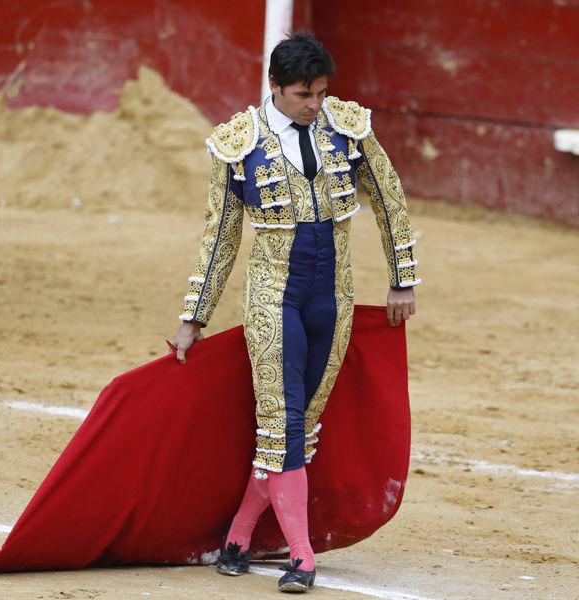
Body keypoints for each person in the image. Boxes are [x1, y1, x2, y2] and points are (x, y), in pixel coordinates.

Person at [168, 32, 420, 594]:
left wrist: (403, 280)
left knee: (299, 432)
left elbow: (389, 197)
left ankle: (238, 532)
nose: (316, 104)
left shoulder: (348, 128)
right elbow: (220, 239)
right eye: (305, 94)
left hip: (332, 295)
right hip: (272, 296)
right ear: (275, 88)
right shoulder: (237, 143)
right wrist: (195, 316)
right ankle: (302, 557)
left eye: (322, 93)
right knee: (282, 426)